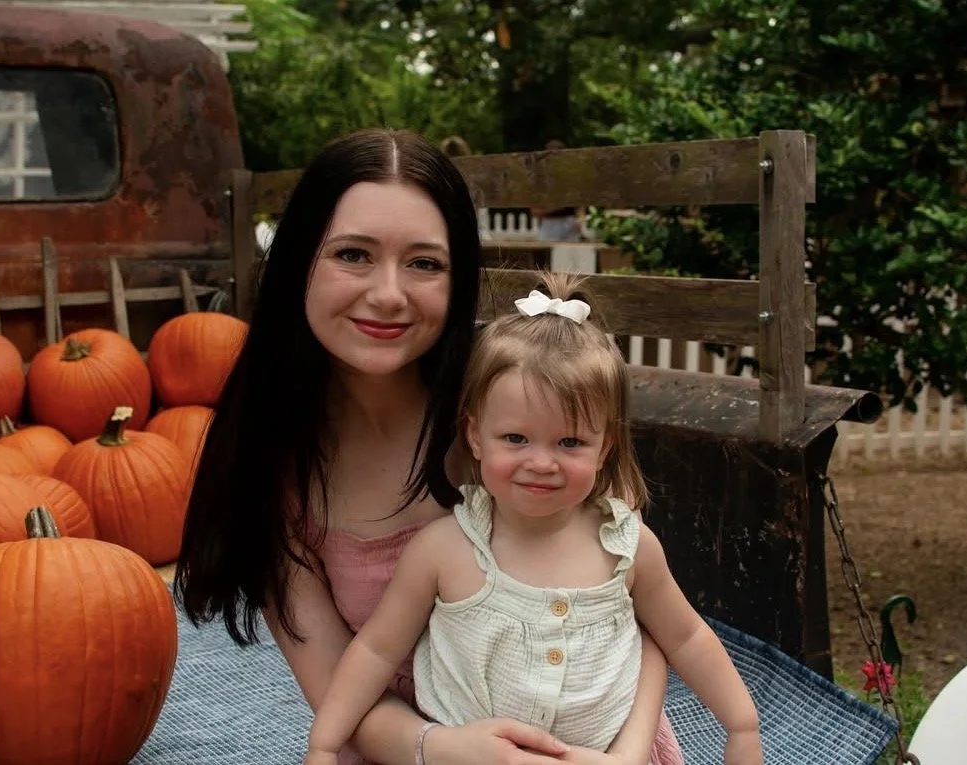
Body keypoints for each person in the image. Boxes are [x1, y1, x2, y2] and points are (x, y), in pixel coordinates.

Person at [174, 128, 684, 765]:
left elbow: (647, 610)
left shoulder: (522, 405)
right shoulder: (273, 469)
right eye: (353, 254)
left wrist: (631, 754)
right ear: (297, 261)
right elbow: (337, 689)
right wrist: (444, 748)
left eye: (424, 263)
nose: (388, 293)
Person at [303, 272, 763, 765]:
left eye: (569, 442)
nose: (541, 463)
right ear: (476, 437)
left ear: (604, 447)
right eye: (516, 439)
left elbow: (687, 636)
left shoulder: (626, 546)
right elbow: (376, 650)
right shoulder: (446, 549)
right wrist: (325, 742)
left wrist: (741, 725)